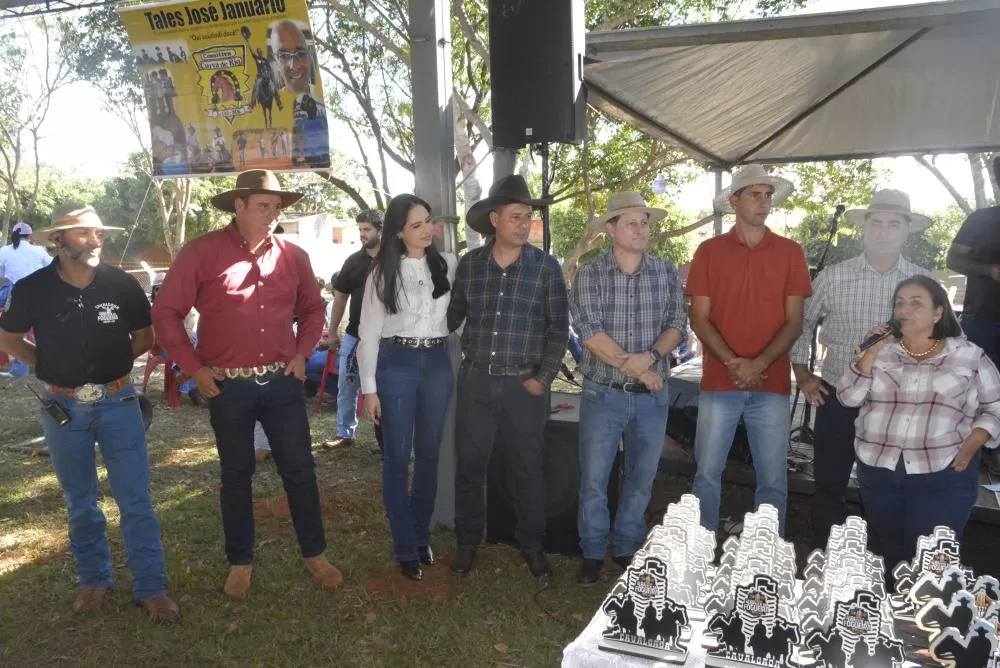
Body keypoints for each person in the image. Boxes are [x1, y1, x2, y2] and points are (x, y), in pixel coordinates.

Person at [150, 169, 342, 599]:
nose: (273, 214)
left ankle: (315, 554)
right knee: (236, 473)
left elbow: (313, 309)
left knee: (299, 469)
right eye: (263, 206)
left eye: (277, 207)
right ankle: (240, 561)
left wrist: (301, 353)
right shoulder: (201, 252)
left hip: (282, 382)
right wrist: (193, 368)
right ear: (238, 206)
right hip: (228, 387)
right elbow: (165, 313)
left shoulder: (294, 256)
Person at [0, 205, 178, 622]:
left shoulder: (122, 284)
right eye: (83, 234)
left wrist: (111, 371)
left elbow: (144, 336)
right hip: (63, 407)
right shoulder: (32, 289)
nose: (95, 241)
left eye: (98, 233)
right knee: (80, 500)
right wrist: (47, 368)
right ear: (58, 240)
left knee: (136, 499)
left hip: (119, 403)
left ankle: (151, 588)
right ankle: (94, 581)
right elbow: (9, 338)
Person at [791, 189, 933, 548]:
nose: (884, 231)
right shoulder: (833, 277)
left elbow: (944, 339)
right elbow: (801, 324)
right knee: (830, 481)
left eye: (893, 224)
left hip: (898, 404)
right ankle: (826, 551)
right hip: (838, 396)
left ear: (907, 230)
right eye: (877, 223)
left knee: (888, 483)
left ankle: (884, 557)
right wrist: (802, 375)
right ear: (864, 228)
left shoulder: (924, 283)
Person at [447, 174, 569, 579]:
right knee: (470, 466)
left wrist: (543, 378)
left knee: (527, 468)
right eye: (515, 216)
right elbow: (452, 316)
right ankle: (467, 543)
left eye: (527, 217)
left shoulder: (546, 268)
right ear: (495, 219)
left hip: (524, 385)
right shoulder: (471, 266)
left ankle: (532, 545)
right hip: (476, 382)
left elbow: (559, 329)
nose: (523, 224)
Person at [837, 275, 1000, 570]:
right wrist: (871, 352)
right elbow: (848, 398)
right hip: (879, 470)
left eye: (916, 303)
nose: (904, 310)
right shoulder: (880, 353)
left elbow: (995, 406)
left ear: (938, 313)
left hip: (943, 472)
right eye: (899, 303)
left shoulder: (969, 356)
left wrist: (973, 443)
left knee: (933, 563)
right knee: (889, 555)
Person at [685, 164, 812, 534]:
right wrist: (734, 363)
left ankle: (766, 551)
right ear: (734, 201)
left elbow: (795, 321)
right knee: (707, 473)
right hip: (719, 382)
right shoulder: (709, 251)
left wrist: (758, 364)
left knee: (773, 479)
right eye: (755, 194)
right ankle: (701, 548)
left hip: (771, 384)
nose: (764, 202)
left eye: (768, 195)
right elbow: (698, 318)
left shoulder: (791, 252)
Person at [569, 192, 687, 586]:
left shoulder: (666, 273)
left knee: (642, 478)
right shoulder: (590, 274)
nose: (641, 229)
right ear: (611, 229)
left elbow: (677, 325)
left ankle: (626, 548)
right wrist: (637, 368)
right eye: (632, 222)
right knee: (594, 479)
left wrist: (649, 358)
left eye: (645, 223)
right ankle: (591, 552)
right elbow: (589, 333)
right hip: (603, 394)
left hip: (652, 398)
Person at [357, 194, 457, 581]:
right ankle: (404, 546)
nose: (427, 229)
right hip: (396, 363)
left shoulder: (448, 264)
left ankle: (420, 536)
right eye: (417, 225)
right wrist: (369, 389)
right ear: (399, 231)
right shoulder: (381, 273)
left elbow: (460, 316)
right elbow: (368, 334)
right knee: (397, 457)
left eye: (428, 221)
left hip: (437, 363)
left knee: (429, 454)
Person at [323, 210, 384, 451]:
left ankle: (387, 441)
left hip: (386, 339)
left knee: (386, 389)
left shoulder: (395, 259)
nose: (362, 234)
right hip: (354, 336)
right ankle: (344, 433)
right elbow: (340, 298)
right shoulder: (353, 262)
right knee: (347, 386)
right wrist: (331, 333)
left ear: (381, 230)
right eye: (360, 229)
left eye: (367, 229)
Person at [947, 156, 1000, 369]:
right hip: (981, 322)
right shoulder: (980, 220)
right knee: (977, 384)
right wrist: (990, 270)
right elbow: (952, 259)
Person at [0, 222, 52, 375]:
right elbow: (52, 266)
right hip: (39, 291)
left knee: (17, 329)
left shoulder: (6, 250)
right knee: (38, 328)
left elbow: (1, 272)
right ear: (30, 236)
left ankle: (19, 369)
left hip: (16, 290)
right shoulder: (38, 250)